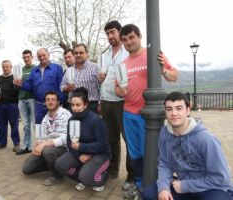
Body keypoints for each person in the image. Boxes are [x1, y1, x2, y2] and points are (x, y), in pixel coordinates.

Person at [116, 24, 179, 192]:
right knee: (134, 152)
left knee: (150, 151)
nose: (128, 42)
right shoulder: (122, 64)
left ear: (139, 36)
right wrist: (119, 90)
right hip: (128, 113)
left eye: (131, 37)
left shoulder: (152, 55)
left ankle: (153, 183)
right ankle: (138, 184)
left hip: (149, 115)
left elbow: (174, 76)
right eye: (125, 40)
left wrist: (164, 70)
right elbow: (117, 88)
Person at [142, 92, 233, 200]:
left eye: (179, 108)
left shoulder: (206, 139)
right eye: (169, 109)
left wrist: (186, 186)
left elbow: (222, 178)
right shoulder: (165, 133)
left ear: (188, 110)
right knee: (149, 194)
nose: (174, 113)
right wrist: (163, 187)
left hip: (209, 188)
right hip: (181, 186)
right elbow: (165, 163)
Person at [97, 20, 134, 187]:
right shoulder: (103, 56)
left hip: (123, 102)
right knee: (111, 139)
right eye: (107, 33)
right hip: (105, 101)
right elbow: (100, 79)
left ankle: (132, 176)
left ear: (120, 32)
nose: (110, 36)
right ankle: (112, 171)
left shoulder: (128, 53)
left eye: (112, 32)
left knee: (128, 139)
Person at [55, 87, 110, 192]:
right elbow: (69, 142)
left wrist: (81, 146)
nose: (74, 108)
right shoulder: (71, 120)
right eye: (72, 105)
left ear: (85, 104)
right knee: (60, 164)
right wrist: (79, 155)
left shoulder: (96, 120)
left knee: (86, 177)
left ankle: (102, 178)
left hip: (100, 155)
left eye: (78, 105)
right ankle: (83, 178)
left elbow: (102, 145)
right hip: (81, 153)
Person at [22, 91, 71, 186]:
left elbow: (67, 138)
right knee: (27, 169)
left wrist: (44, 144)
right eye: (48, 100)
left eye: (53, 99)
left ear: (58, 102)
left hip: (64, 149)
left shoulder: (66, 115)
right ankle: (54, 165)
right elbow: (41, 137)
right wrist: (39, 143)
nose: (50, 102)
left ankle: (57, 175)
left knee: (47, 151)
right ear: (45, 103)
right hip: (49, 149)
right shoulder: (45, 119)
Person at [14, 48, 64, 124]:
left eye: (44, 55)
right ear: (37, 57)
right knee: (40, 129)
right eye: (39, 56)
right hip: (39, 105)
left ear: (48, 55)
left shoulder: (57, 68)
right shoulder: (34, 70)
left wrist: (60, 102)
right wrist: (21, 84)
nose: (42, 57)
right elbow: (29, 85)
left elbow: (61, 85)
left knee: (55, 129)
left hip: (53, 105)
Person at [60, 44, 100, 113]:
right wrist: (67, 88)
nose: (78, 55)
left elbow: (101, 86)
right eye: (76, 53)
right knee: (74, 124)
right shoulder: (69, 70)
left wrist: (100, 103)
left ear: (87, 54)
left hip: (91, 105)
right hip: (74, 106)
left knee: (90, 124)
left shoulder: (95, 67)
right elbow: (62, 87)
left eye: (81, 53)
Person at [0, 60, 20, 152]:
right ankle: (2, 143)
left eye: (7, 66)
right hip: (0, 105)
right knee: (1, 125)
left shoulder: (15, 78)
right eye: (3, 67)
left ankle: (16, 144)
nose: (5, 68)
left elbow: (19, 91)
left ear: (11, 67)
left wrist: (17, 85)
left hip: (13, 105)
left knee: (14, 125)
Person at [16, 50, 36, 155]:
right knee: (25, 125)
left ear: (32, 57)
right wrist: (15, 83)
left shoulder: (36, 69)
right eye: (24, 57)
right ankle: (26, 146)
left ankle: (36, 146)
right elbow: (16, 86)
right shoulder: (20, 70)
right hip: (22, 99)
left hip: (32, 99)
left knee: (34, 124)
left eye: (28, 57)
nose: (26, 59)